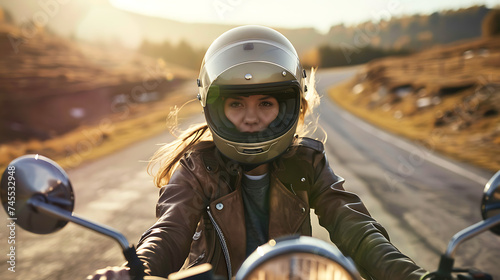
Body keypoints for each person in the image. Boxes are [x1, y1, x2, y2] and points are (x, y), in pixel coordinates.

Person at [89, 25, 427, 280]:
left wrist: (411, 275)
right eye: (236, 103)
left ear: (291, 106)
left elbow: (354, 224)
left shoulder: (306, 162)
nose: (251, 117)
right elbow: (169, 230)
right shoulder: (198, 168)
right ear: (214, 107)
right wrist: (138, 270)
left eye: (266, 103)